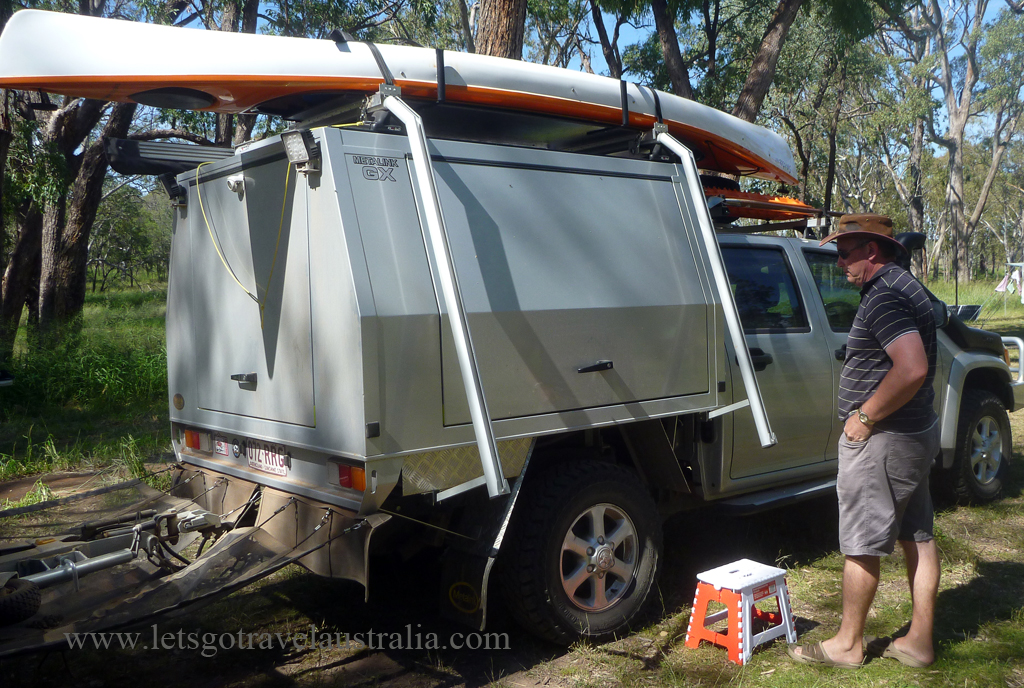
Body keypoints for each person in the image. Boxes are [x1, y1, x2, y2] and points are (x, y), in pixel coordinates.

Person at [787, 213, 940, 669]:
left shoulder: (884, 296)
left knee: (861, 541)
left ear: (871, 250)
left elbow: (911, 367)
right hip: (913, 433)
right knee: (918, 534)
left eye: (844, 251)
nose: (839, 262)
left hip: (885, 439)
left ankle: (848, 643)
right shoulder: (906, 284)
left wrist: (865, 417)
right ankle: (919, 641)